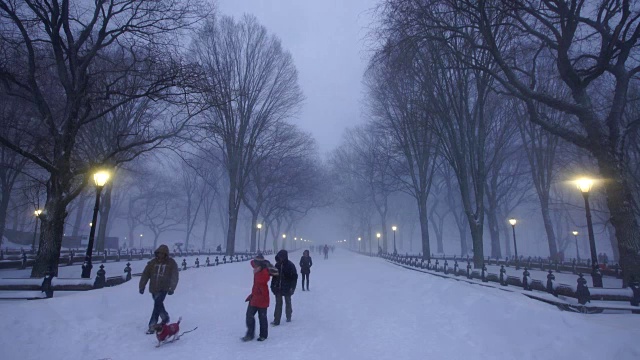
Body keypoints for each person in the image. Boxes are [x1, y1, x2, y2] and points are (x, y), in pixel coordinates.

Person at [139, 244, 179, 334]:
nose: (160, 255)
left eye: (162, 253)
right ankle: (165, 317)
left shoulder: (171, 263)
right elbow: (145, 274)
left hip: (164, 288)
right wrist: (142, 286)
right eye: (159, 253)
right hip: (153, 288)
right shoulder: (152, 263)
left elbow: (175, 276)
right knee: (158, 305)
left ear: (166, 254)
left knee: (157, 304)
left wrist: (172, 288)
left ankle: (152, 325)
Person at [242, 254, 275, 342]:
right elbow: (251, 262)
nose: (255, 265)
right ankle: (250, 334)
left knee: (262, 317)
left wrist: (263, 267)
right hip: (254, 296)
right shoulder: (257, 268)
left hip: (263, 297)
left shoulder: (265, 271)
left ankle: (263, 335)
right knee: (249, 315)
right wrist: (259, 265)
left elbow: (262, 280)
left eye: (257, 263)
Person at [270, 249, 298, 325]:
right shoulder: (277, 265)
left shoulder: (290, 265)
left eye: (282, 257)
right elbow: (274, 277)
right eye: (279, 257)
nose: (280, 258)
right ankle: (276, 320)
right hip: (278, 287)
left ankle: (288, 316)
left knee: (288, 302)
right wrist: (272, 286)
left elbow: (294, 277)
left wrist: (292, 287)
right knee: (278, 304)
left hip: (287, 287)